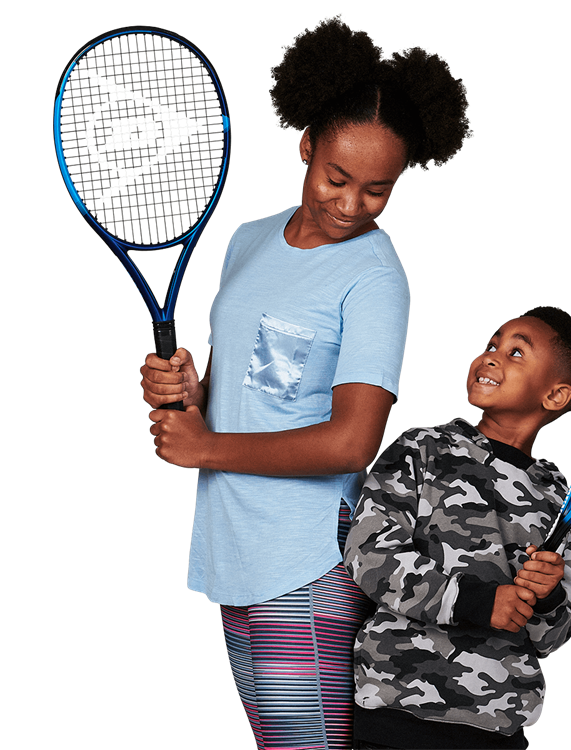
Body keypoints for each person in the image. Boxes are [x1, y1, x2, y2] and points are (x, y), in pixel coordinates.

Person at [140, 14, 472, 750]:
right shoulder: (247, 238)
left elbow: (353, 442)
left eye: (379, 191)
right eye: (336, 177)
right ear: (305, 145)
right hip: (230, 553)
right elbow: (255, 388)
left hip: (306, 565)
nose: (351, 205)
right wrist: (195, 393)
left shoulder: (376, 276)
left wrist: (205, 448)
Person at [343, 306, 571, 750]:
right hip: (396, 715)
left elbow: (555, 636)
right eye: (492, 344)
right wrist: (477, 602)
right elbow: (370, 556)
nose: (493, 355)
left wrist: (549, 594)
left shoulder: (565, 502)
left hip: (496, 729)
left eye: (517, 352)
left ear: (555, 396)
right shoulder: (422, 448)